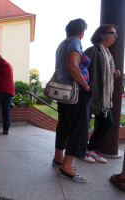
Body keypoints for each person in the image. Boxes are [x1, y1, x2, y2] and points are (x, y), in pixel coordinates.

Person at [51, 18, 92, 183]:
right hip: (75, 92)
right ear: (81, 31)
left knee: (64, 125)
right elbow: (72, 66)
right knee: (79, 128)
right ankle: (66, 167)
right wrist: (86, 86)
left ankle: (58, 158)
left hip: (63, 94)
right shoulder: (76, 41)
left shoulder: (62, 43)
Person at [81, 24, 121, 163]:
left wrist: (113, 73)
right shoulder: (92, 51)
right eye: (112, 33)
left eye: (116, 34)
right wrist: (87, 87)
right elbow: (82, 69)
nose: (115, 36)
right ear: (101, 35)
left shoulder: (108, 54)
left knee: (108, 122)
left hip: (103, 97)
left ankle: (91, 148)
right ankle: (80, 150)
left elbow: (105, 73)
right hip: (90, 93)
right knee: (84, 124)